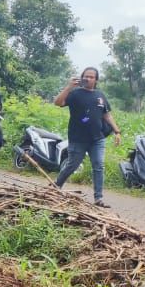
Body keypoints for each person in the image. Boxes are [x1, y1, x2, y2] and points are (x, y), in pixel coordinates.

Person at [52, 67, 122, 208]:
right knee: (73, 164)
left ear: (96, 80)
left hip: (97, 139)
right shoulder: (75, 94)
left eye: (91, 77)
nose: (88, 79)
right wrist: (69, 87)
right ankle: (56, 186)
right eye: (86, 76)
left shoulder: (100, 95)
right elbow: (57, 103)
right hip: (78, 139)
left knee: (98, 166)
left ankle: (98, 198)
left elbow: (106, 114)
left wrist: (117, 131)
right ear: (82, 77)